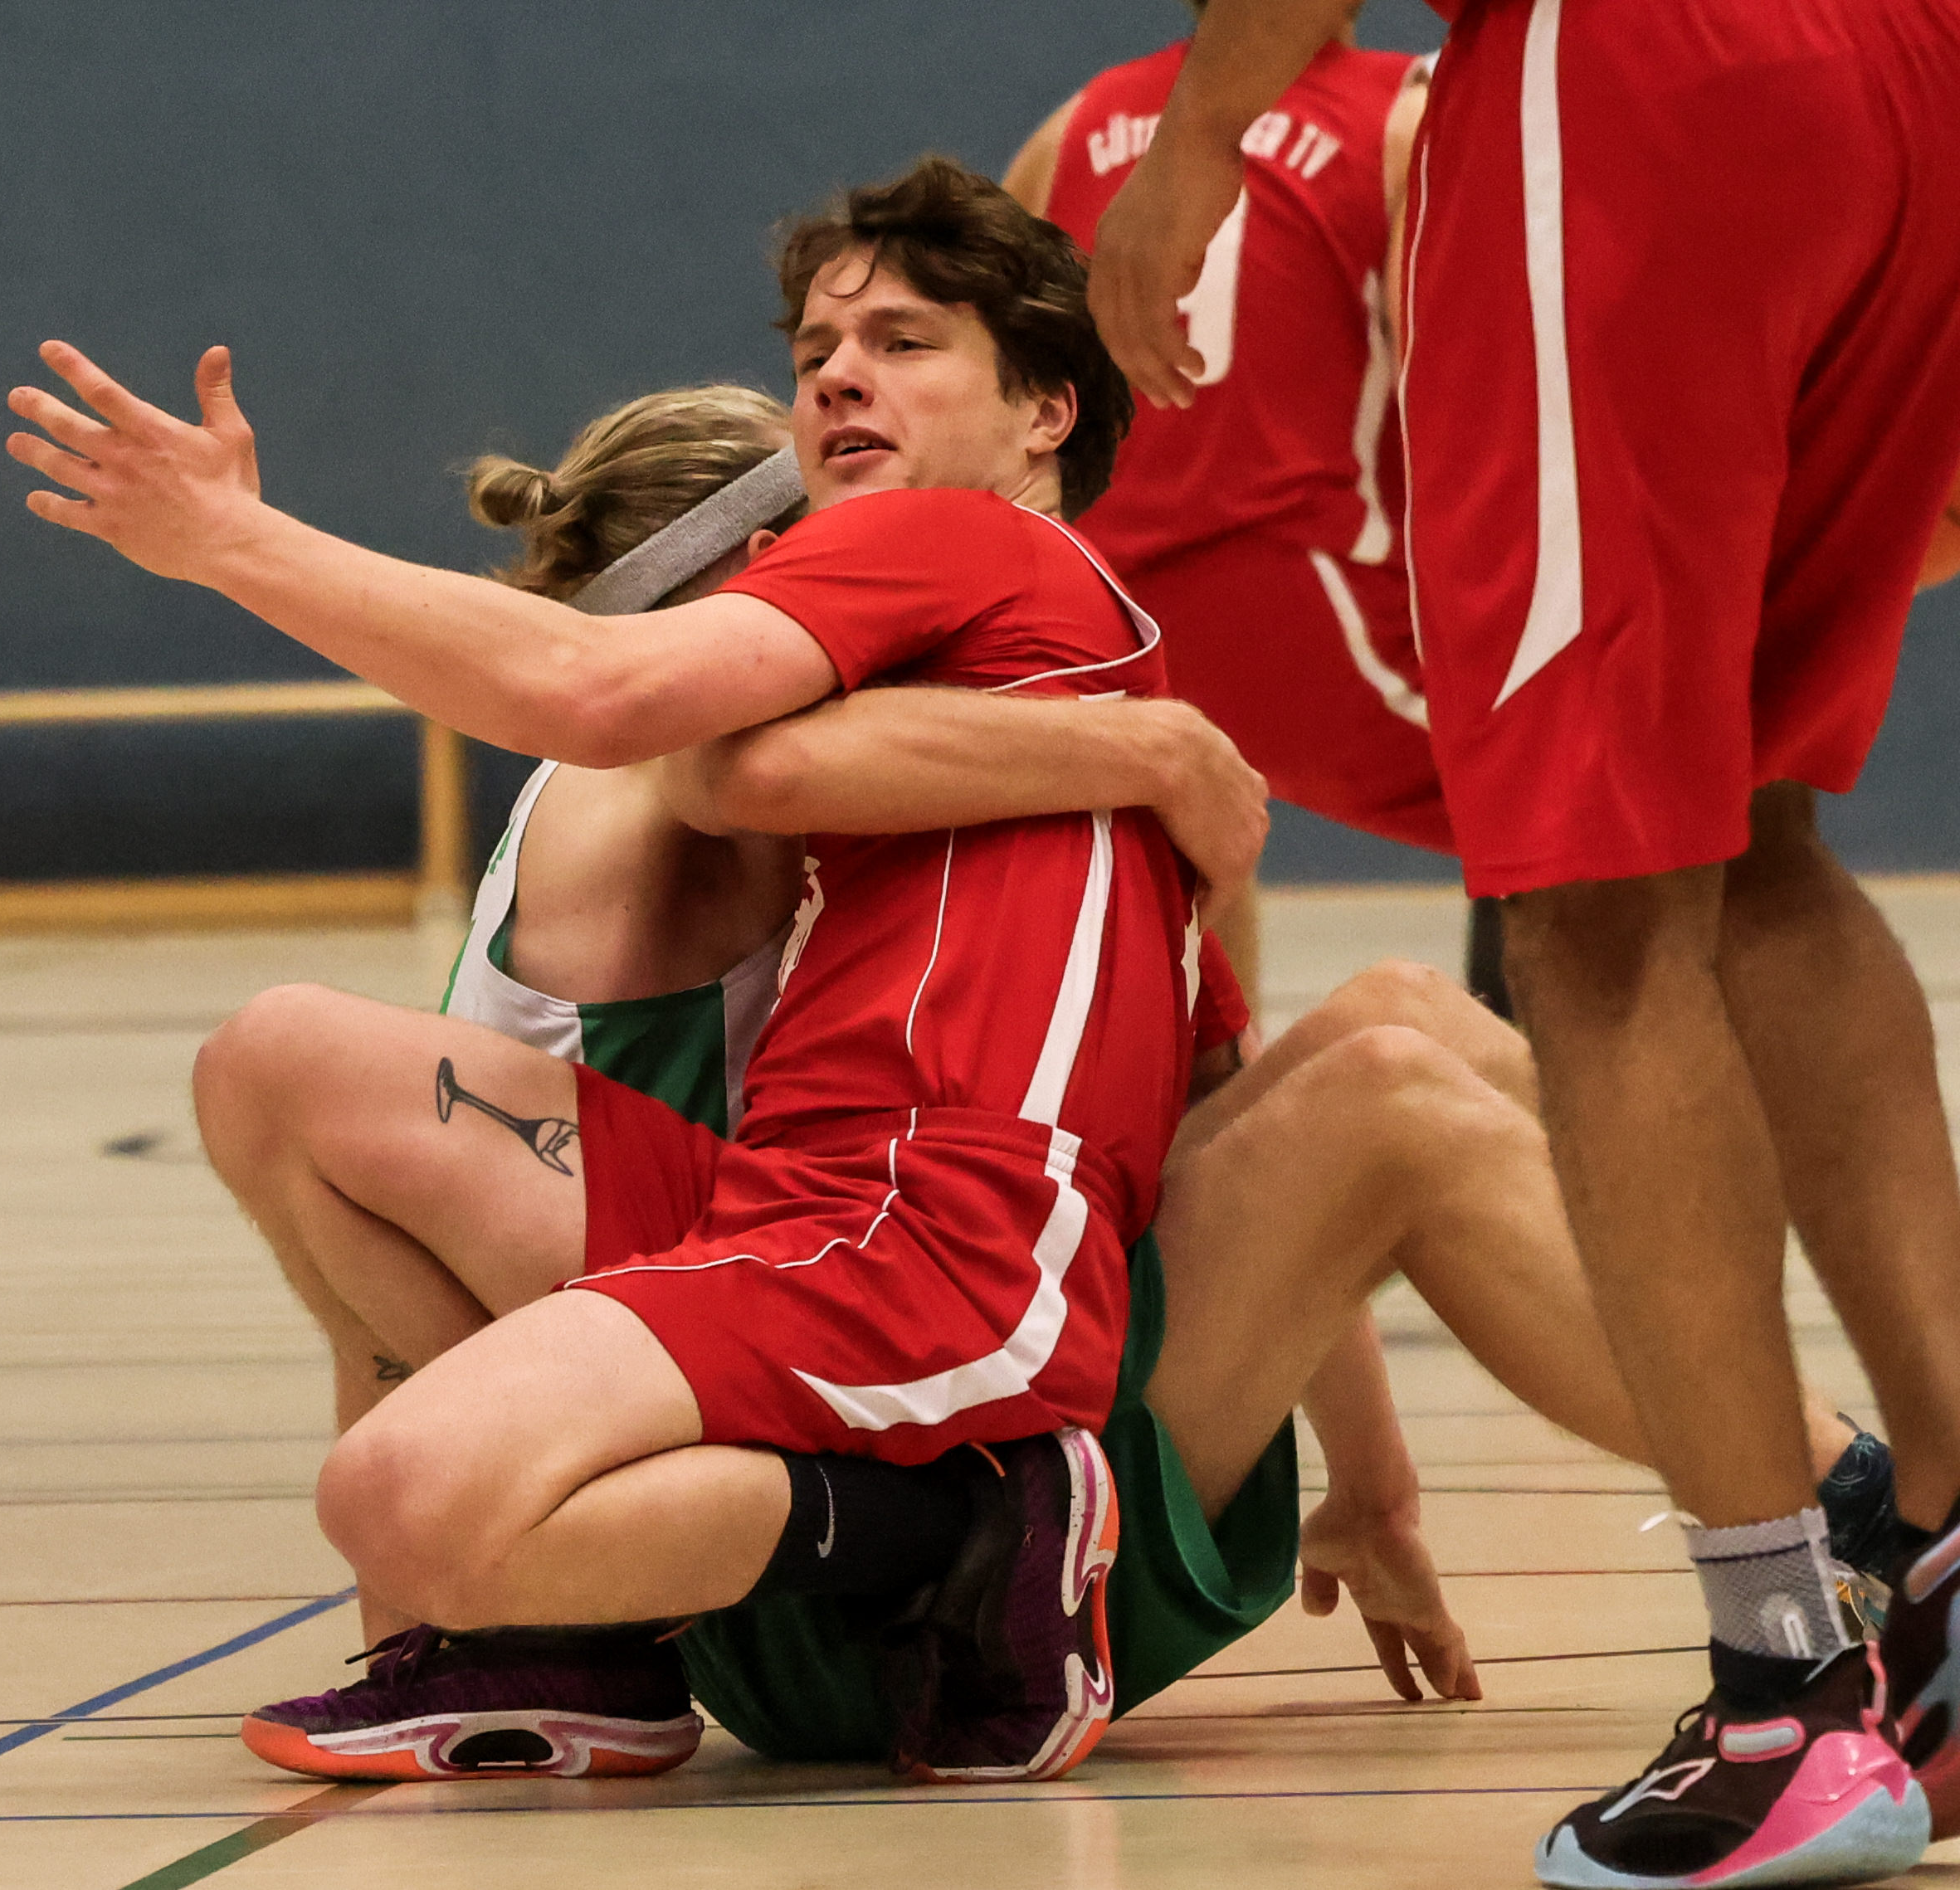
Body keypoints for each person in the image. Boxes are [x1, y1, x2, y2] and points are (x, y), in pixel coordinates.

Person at [230, 387, 1912, 1785]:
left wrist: (1374, 1487)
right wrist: (1151, 745)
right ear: (753, 582)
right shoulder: (696, 774)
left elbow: (1218, 1128)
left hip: (864, 1354)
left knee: (1398, 1033)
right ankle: (1865, 1501)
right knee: (1388, 1085)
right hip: (792, 1389)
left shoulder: (936, 764)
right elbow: (708, 751)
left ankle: (1846, 1488)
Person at [11, 156, 1214, 1780]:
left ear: (1046, 412)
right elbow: (731, 766)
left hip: (921, 1239)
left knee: (399, 1493)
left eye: (903, 341)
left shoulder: (957, 543)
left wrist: (234, 540)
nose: (837, 375)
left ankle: (958, 1522)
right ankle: (572, 1644)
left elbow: (598, 693)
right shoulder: (1039, 670)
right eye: (815, 351)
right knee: (277, 1061)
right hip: (791, 1201)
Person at [1086, 2, 1960, 1883]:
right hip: (1908, 73)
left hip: (1630, 78)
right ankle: (1951, 1574)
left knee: (1590, 906)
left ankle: (1780, 1696)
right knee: (1762, 835)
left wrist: (1200, 136)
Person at [1003, 1, 1439, 1008]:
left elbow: (993, 377)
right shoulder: (1403, 116)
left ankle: (1207, 1060)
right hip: (1308, 611)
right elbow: (1463, 400)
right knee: (1579, 794)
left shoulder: (1073, 127)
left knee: (1185, 839)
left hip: (1097, 620)